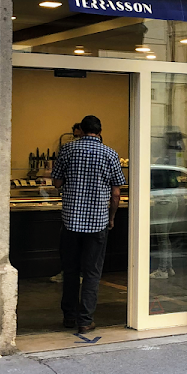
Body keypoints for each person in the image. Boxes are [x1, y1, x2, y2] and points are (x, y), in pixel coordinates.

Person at [51, 115, 125, 333]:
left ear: (81, 130)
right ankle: (85, 320)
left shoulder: (67, 150)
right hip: (97, 223)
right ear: (100, 132)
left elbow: (56, 182)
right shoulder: (110, 154)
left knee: (71, 271)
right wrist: (111, 217)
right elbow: (116, 193)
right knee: (92, 273)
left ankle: (68, 316)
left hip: (71, 222)